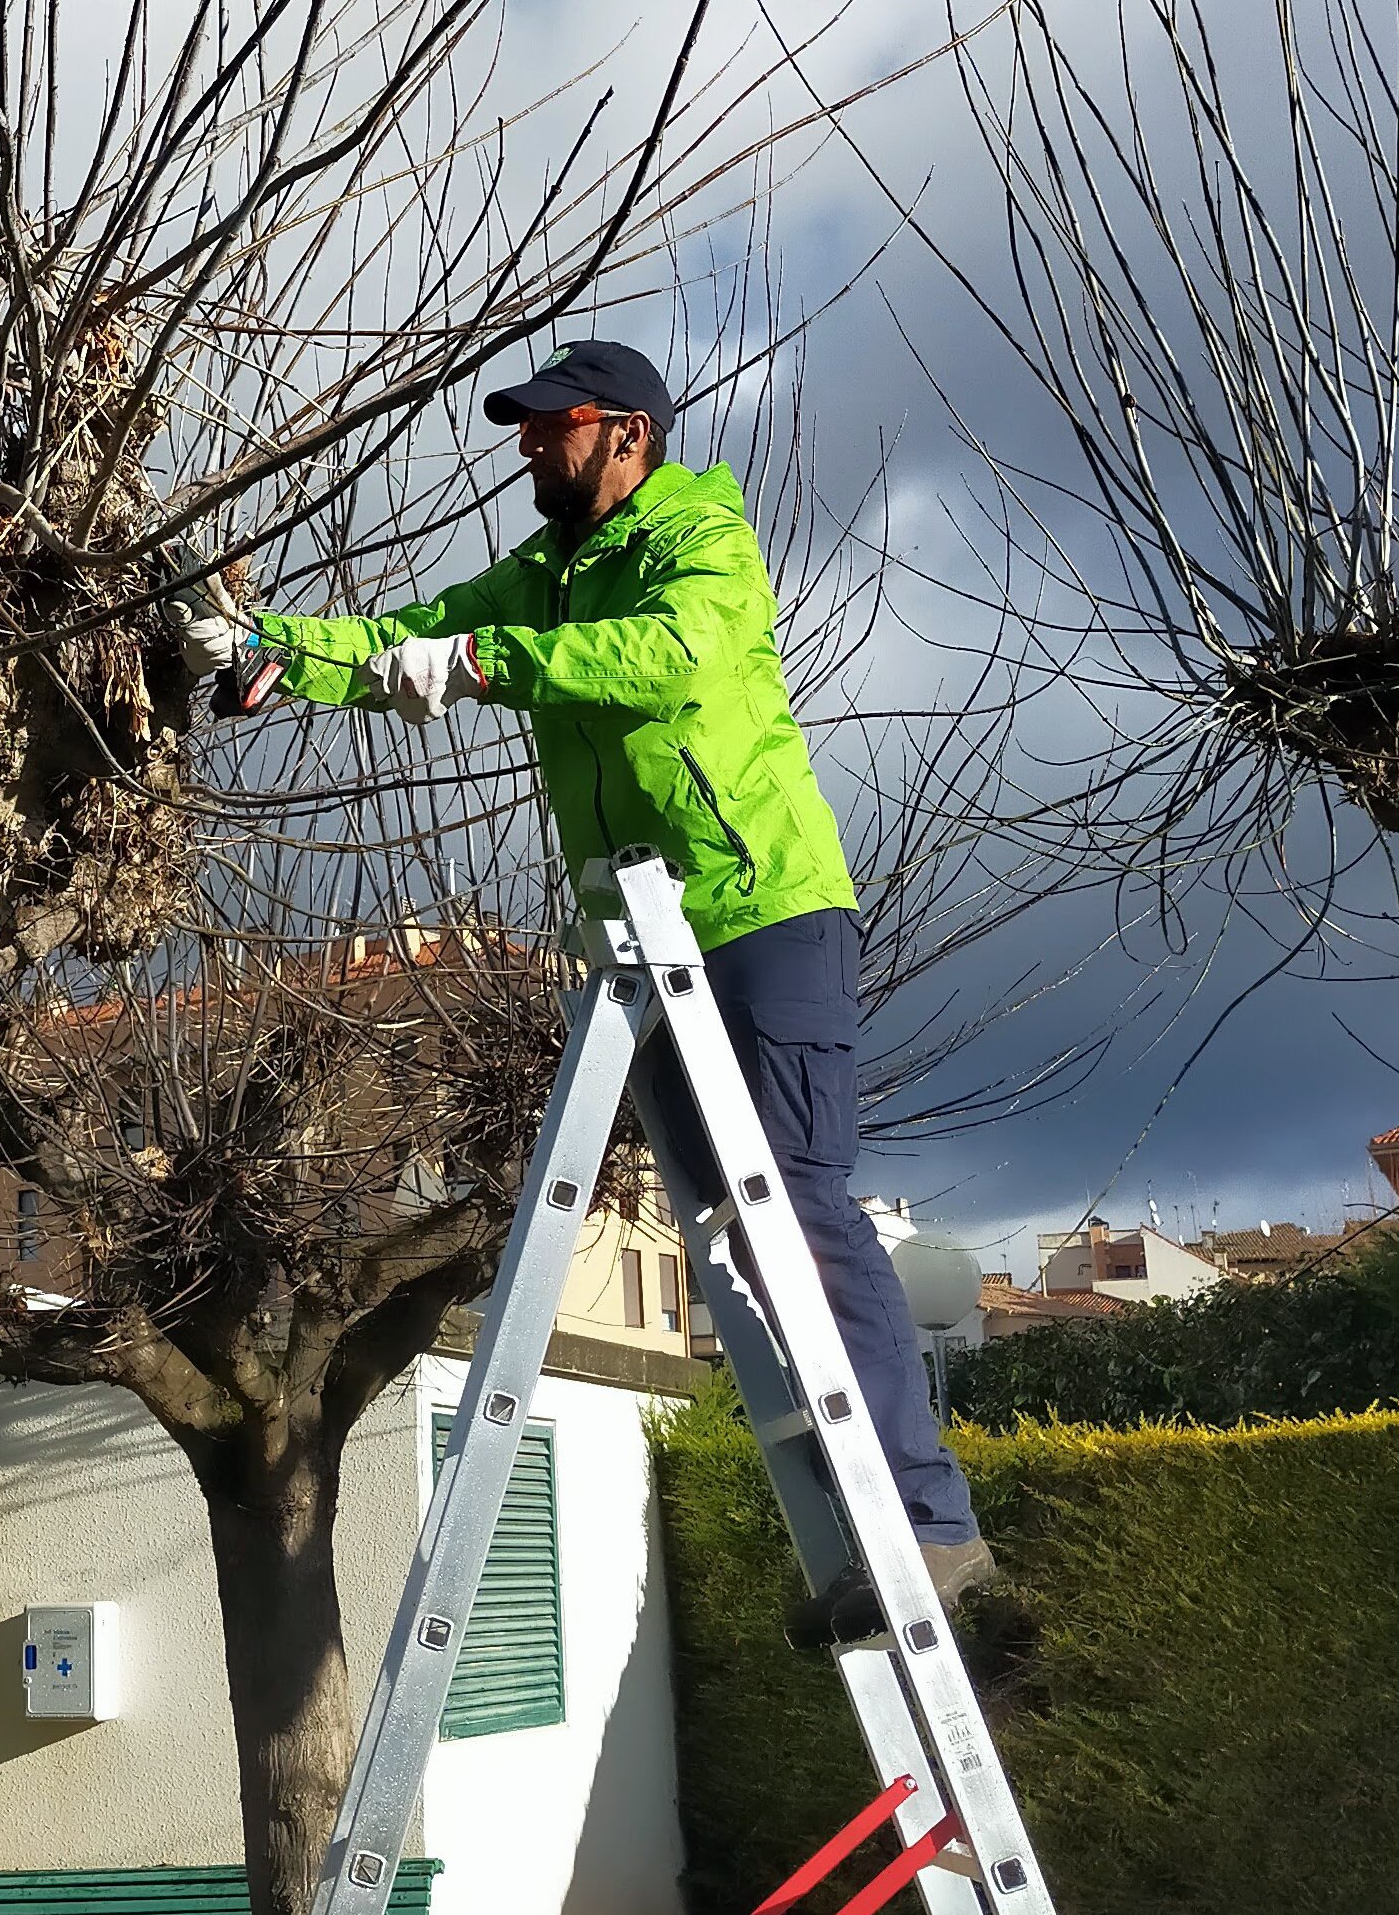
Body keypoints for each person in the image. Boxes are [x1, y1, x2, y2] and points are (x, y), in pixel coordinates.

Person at [179, 337, 991, 1606]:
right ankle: (849, 1539)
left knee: (802, 1208)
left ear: (627, 434)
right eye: (525, 426)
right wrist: (262, 644)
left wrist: (487, 662)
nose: (526, 445)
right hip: (640, 935)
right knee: (724, 1234)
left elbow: (661, 658)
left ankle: (929, 1526)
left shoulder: (700, 541)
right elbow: (407, 636)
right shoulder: (543, 575)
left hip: (764, 911)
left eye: (551, 426)